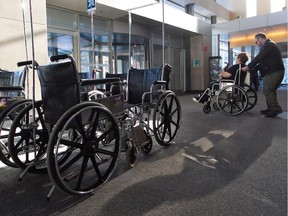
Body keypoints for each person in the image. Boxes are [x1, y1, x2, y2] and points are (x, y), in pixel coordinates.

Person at [242, 32, 285, 117]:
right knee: (269, 90)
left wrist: (248, 66)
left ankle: (275, 109)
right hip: (273, 71)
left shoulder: (269, 45)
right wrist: (253, 69)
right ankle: (271, 108)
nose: (256, 44)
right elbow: (262, 62)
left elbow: (259, 57)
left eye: (256, 42)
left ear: (260, 39)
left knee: (268, 90)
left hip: (274, 71)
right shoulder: (268, 46)